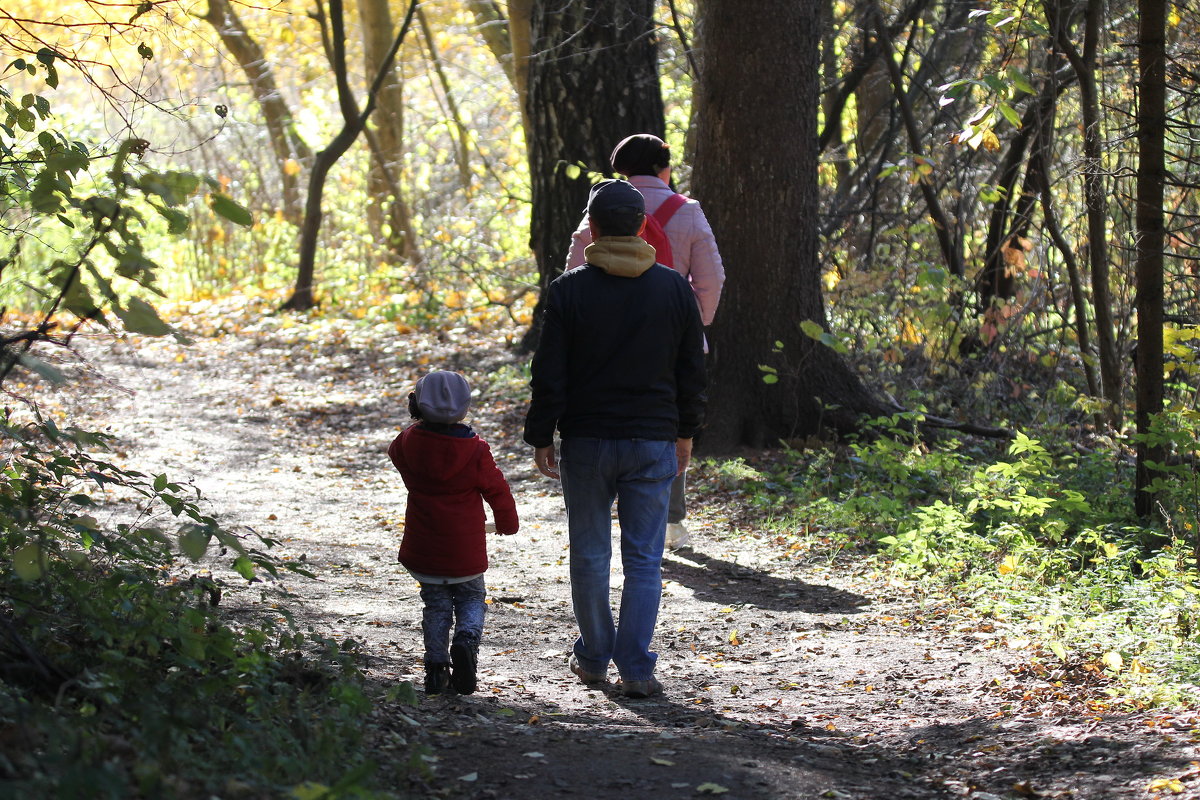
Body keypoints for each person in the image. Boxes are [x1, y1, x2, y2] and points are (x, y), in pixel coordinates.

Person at [525, 179, 707, 698]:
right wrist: (686, 431)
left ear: (595, 229)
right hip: (652, 440)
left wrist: (542, 433)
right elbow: (692, 369)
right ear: (643, 226)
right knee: (645, 559)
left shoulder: (568, 290)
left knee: (588, 555)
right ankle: (636, 667)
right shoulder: (674, 289)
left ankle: (594, 658)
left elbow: (550, 372)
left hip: (586, 441)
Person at [566, 133, 724, 550]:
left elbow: (573, 274)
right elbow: (711, 279)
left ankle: (610, 507)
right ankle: (669, 521)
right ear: (664, 167)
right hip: (670, 340)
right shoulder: (687, 212)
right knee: (671, 421)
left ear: (622, 168)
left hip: (603, 342)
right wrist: (692, 325)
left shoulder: (599, 210)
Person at [388, 370, 520, 695]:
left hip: (424, 546)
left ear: (416, 404)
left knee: (435, 605)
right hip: (465, 550)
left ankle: (435, 670)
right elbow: (497, 490)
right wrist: (506, 523)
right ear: (465, 406)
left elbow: (395, 455)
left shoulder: (407, 442)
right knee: (472, 597)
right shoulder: (475, 451)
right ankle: (466, 640)